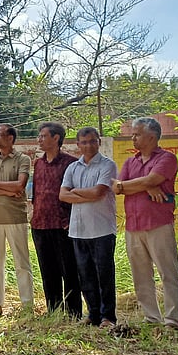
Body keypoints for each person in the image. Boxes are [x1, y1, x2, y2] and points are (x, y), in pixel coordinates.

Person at [114, 117, 178, 329]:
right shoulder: (130, 161)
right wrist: (146, 185)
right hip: (133, 225)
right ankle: (151, 317)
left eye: (137, 134)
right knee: (140, 274)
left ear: (151, 137)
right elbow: (116, 186)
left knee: (167, 272)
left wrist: (145, 184)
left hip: (158, 223)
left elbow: (152, 180)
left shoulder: (167, 158)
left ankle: (172, 320)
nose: (132, 138)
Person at [60, 127, 119, 328]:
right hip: (78, 229)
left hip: (102, 229)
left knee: (104, 274)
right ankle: (93, 314)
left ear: (99, 142)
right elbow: (62, 195)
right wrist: (82, 193)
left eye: (92, 141)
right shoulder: (72, 168)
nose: (88, 145)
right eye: (84, 142)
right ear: (78, 145)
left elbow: (99, 192)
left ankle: (108, 317)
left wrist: (75, 192)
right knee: (85, 275)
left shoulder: (107, 165)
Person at [0, 123, 34, 314]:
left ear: (10, 138)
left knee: (22, 263)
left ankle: (27, 305)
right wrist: (6, 190)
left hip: (15, 217)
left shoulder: (23, 159)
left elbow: (20, 185)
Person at [31, 122, 82, 318]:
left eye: (44, 136)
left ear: (56, 138)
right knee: (48, 270)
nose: (40, 139)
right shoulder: (38, 163)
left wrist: (69, 220)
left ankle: (73, 312)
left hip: (63, 225)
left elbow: (74, 194)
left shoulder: (71, 163)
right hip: (40, 224)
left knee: (69, 271)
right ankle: (54, 311)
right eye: (39, 136)